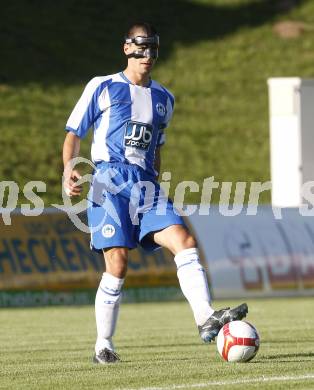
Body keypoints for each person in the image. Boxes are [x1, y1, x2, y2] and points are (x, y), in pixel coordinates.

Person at [62, 21, 248, 364]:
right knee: (117, 264)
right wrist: (69, 167)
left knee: (185, 241)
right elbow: (74, 132)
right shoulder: (102, 87)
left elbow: (157, 145)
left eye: (153, 49)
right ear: (126, 48)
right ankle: (104, 344)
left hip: (146, 184)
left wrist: (155, 180)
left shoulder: (165, 98)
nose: (147, 56)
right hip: (108, 181)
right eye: (140, 48)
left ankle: (205, 317)